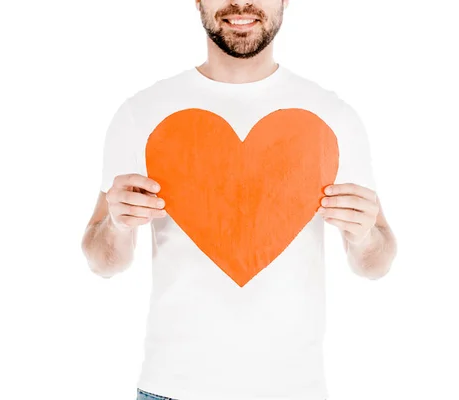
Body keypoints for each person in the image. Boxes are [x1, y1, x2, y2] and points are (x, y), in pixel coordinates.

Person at [81, 1, 397, 399]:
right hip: (172, 388)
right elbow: (102, 261)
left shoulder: (333, 117)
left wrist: (365, 235)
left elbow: (377, 264)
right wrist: (115, 224)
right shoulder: (141, 115)